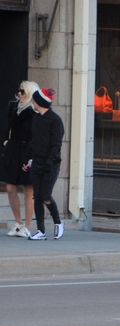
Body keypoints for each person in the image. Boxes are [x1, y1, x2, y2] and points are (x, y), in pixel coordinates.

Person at [22, 88, 65, 241]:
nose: (32, 102)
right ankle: (41, 230)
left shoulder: (55, 120)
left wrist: (49, 162)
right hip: (36, 162)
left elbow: (56, 145)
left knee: (45, 196)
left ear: (39, 102)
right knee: (37, 197)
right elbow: (34, 141)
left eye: (34, 100)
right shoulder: (36, 118)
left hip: (51, 164)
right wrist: (27, 158)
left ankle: (58, 223)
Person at [1, 81, 38, 238]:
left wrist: (32, 154)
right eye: (19, 91)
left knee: (29, 189)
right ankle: (17, 222)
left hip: (27, 151)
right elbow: (8, 127)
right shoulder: (14, 107)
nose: (19, 95)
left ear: (29, 93)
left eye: (23, 92)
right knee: (10, 187)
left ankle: (27, 226)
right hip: (13, 149)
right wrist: (5, 141)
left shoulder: (34, 112)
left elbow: (35, 135)